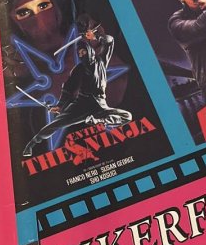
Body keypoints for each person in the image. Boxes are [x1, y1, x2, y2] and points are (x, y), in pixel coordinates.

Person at [22, 25, 131, 157]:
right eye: (79, 54)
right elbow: (68, 89)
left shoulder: (101, 61)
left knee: (127, 116)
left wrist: (95, 36)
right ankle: (31, 144)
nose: (81, 55)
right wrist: (60, 106)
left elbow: (109, 40)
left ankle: (97, 120)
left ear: (89, 51)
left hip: (99, 104)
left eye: (83, 52)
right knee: (57, 123)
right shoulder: (79, 69)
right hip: (81, 104)